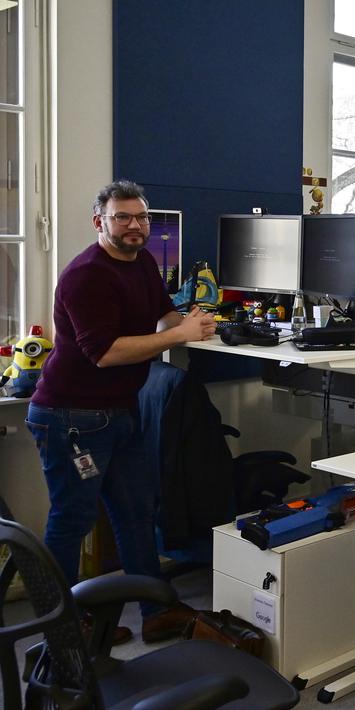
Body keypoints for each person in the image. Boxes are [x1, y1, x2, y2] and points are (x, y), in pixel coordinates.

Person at [25, 179, 215, 644]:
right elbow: (105, 352)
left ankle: (156, 612)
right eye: (123, 217)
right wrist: (178, 336)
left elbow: (163, 316)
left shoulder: (143, 260)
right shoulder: (85, 275)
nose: (135, 226)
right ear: (99, 223)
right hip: (71, 417)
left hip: (119, 411)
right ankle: (61, 628)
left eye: (142, 217)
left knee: (135, 512)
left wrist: (203, 322)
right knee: (73, 519)